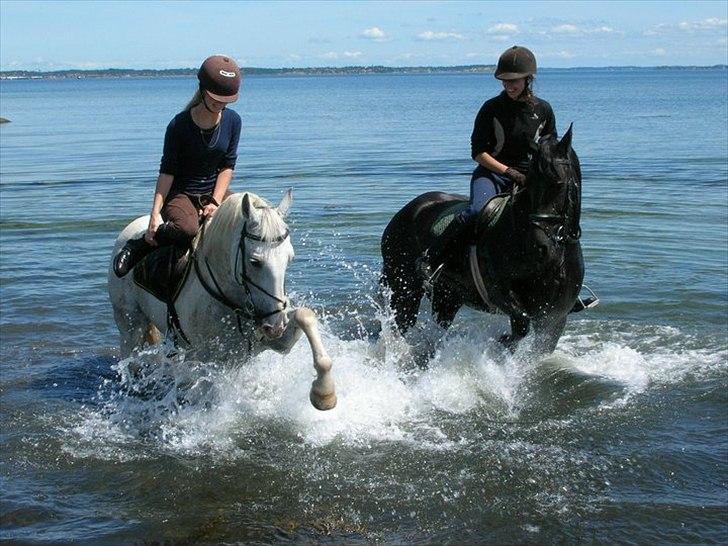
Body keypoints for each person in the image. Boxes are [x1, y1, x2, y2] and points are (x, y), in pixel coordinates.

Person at [422, 45, 557, 280]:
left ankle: (562, 284)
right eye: (504, 81)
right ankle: (433, 259)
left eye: (514, 81)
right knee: (476, 211)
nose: (509, 86)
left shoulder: (543, 109)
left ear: (528, 78)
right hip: (492, 174)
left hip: (530, 178)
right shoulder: (492, 108)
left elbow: (549, 149)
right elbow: (478, 153)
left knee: (554, 219)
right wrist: (509, 172)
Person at [113, 54, 242, 277]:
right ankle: (142, 243)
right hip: (180, 194)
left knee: (249, 219)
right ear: (202, 89)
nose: (220, 104)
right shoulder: (179, 125)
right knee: (187, 230)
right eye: (215, 98)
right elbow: (167, 172)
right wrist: (155, 213)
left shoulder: (233, 121)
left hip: (214, 192)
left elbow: (227, 166)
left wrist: (215, 201)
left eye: (225, 100)